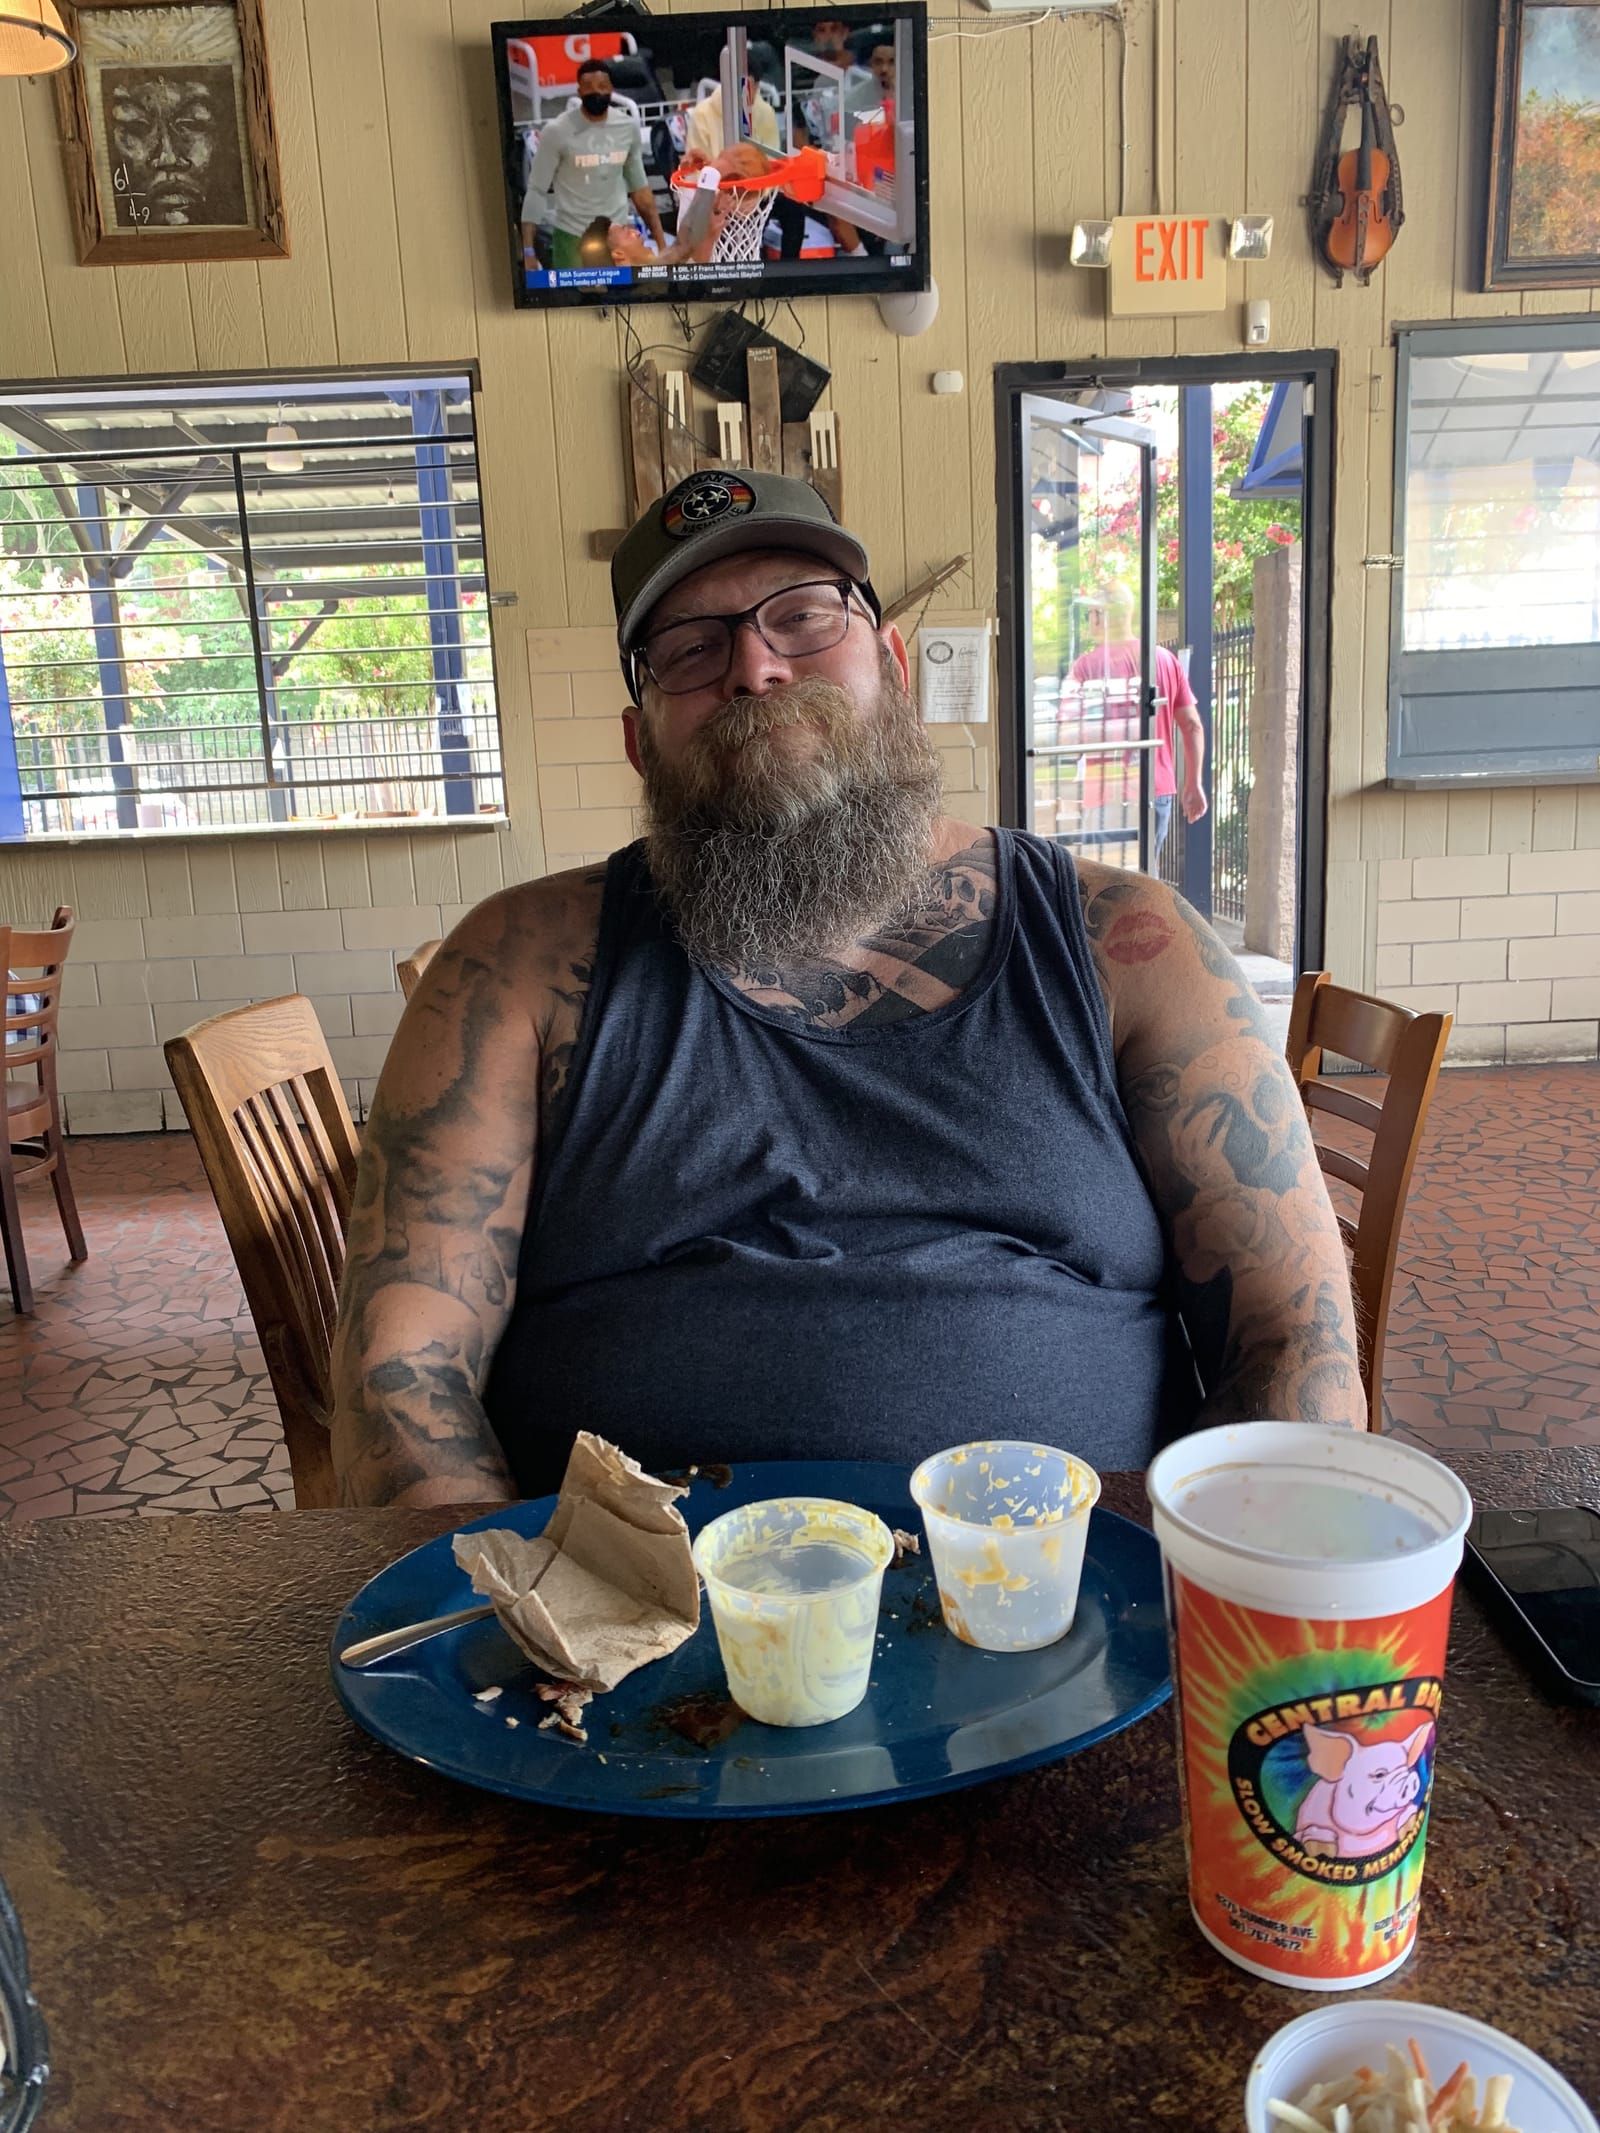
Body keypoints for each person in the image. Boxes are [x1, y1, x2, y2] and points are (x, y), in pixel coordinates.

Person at [329, 469, 1364, 1510]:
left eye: (803, 617)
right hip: (630, 1631)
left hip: (1071, 1611)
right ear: (640, 740)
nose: (754, 667)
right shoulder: (513, 966)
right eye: (689, 647)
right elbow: (401, 1369)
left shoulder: (1128, 948)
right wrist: (517, 1626)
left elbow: (1293, 1338)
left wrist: (1223, 1602)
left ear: (892, 666)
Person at [1064, 582, 1207, 861]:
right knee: (1143, 882)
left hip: (1106, 790)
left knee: (1104, 888)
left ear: (1100, 615)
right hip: (1157, 789)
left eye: (1090, 613)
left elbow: (1070, 734)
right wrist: (1193, 782)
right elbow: (1192, 725)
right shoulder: (1163, 660)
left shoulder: (1086, 666)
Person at [519, 60, 664, 273]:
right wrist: (529, 251)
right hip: (572, 238)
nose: (596, 92)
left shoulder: (626, 127)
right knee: (573, 304)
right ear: (579, 91)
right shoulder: (556, 131)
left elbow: (640, 190)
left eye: (602, 86)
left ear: (611, 89)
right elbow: (536, 190)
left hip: (616, 241)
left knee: (622, 303)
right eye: (589, 87)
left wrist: (662, 245)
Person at [684, 70, 780, 164]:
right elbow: (696, 170)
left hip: (759, 178)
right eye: (742, 87)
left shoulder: (766, 112)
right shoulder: (701, 114)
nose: (746, 94)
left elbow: (772, 161)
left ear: (757, 86)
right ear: (729, 85)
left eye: (751, 87)